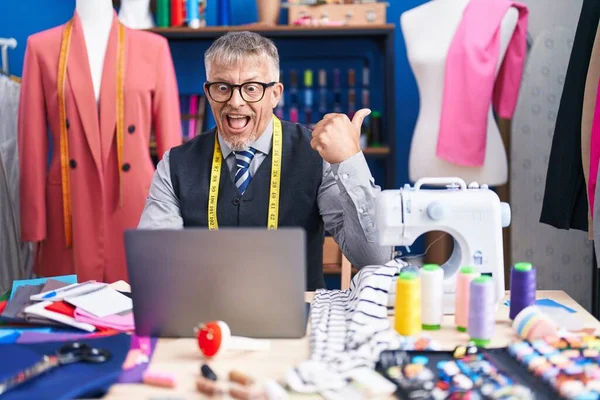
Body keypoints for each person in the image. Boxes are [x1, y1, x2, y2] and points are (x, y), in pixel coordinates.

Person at [137, 31, 393, 290]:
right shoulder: (174, 165)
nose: (235, 102)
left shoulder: (317, 157)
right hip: (205, 319)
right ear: (208, 92)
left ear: (275, 93)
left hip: (298, 321)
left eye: (251, 88)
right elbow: (153, 268)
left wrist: (350, 160)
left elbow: (375, 259)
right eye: (222, 87)